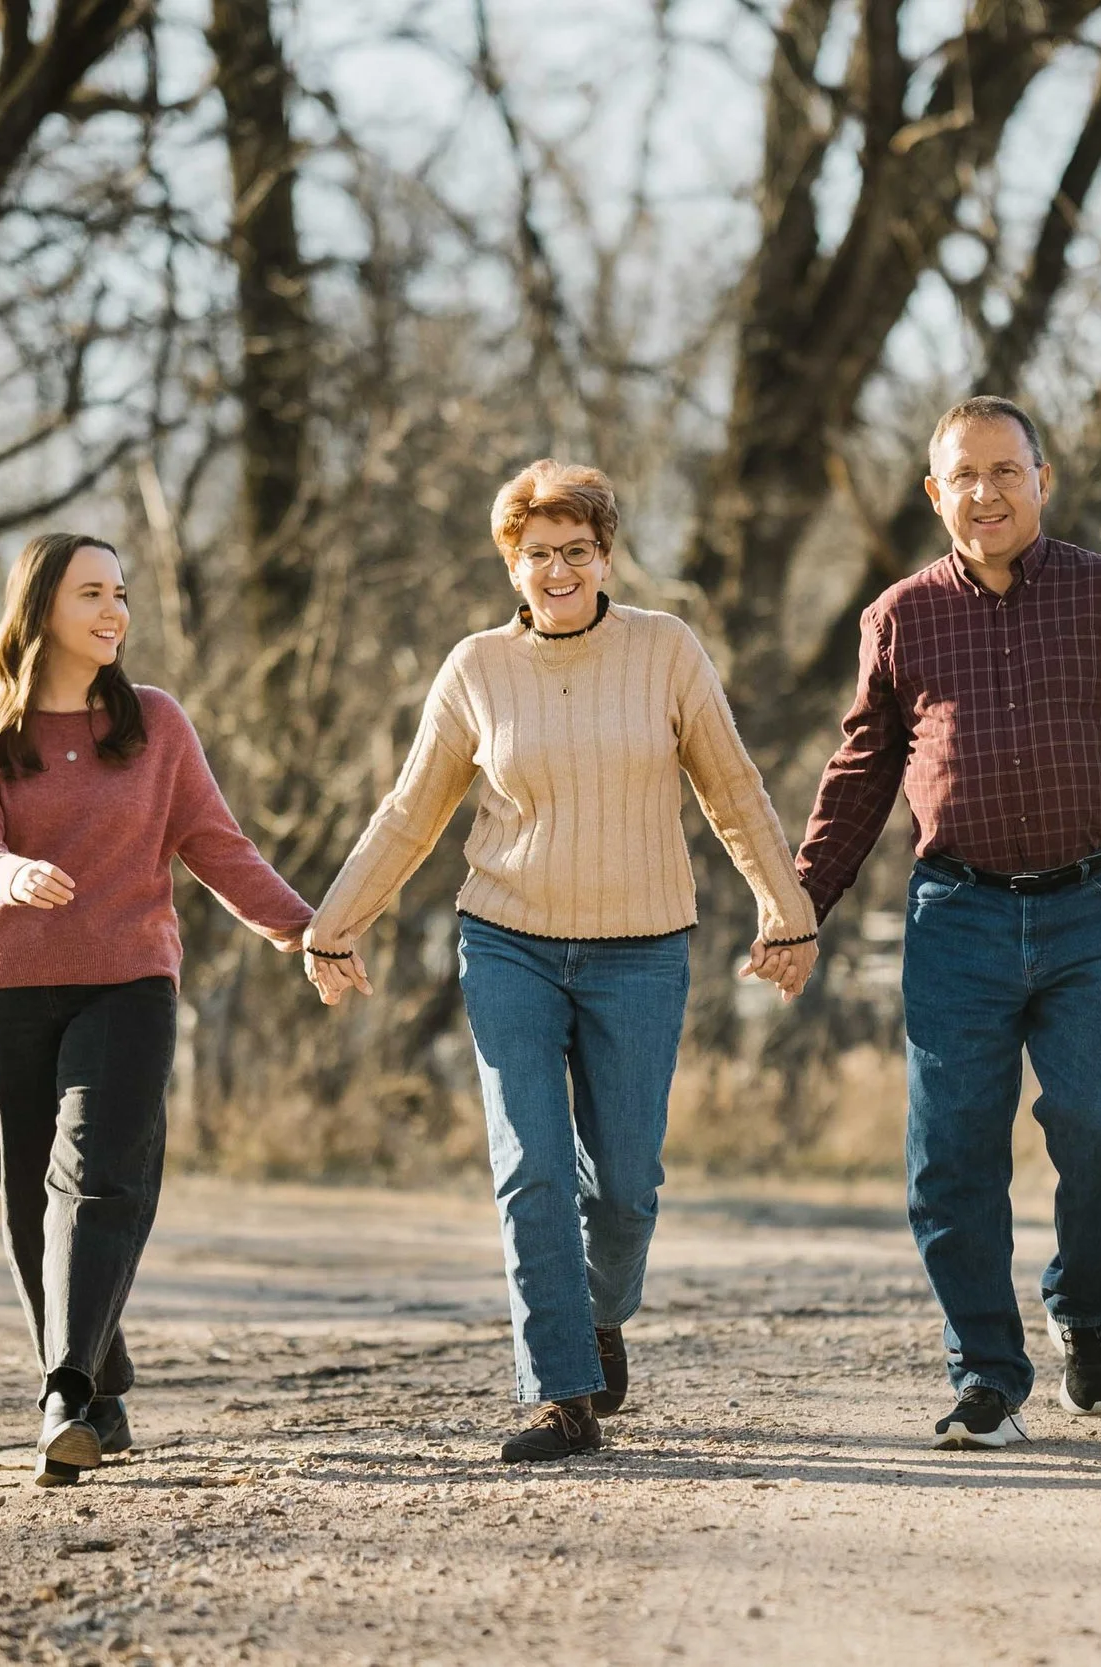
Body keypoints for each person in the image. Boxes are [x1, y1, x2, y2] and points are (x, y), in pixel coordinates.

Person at [301, 459, 816, 1463]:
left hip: (642, 946)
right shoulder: (476, 669)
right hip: (508, 942)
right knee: (529, 1165)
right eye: (537, 553)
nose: (557, 568)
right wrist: (335, 922)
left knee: (624, 1185)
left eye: (575, 550)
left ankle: (600, 1313)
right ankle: (559, 1390)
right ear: (513, 566)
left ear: (607, 554)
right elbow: (411, 811)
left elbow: (732, 789)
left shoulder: (666, 651)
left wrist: (784, 909)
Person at [796, 395, 1101, 1450]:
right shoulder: (901, 615)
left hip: (1093, 904)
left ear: (1041, 479)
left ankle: (1085, 1305)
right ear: (934, 496)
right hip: (955, 912)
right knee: (950, 1151)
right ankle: (985, 1373)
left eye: (1005, 471)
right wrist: (801, 903)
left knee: (1100, 1120)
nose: (985, 493)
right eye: (963, 477)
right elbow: (861, 770)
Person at [0, 533, 314, 1486]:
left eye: (121, 594)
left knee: (101, 1179)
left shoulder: (153, 721)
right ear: (40, 609)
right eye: (91, 593)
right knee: (33, 1200)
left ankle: (64, 1393)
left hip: (129, 981)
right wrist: (12, 873)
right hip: (3, 987)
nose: (115, 611)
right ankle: (99, 1379)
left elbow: (214, 844)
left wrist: (307, 931)